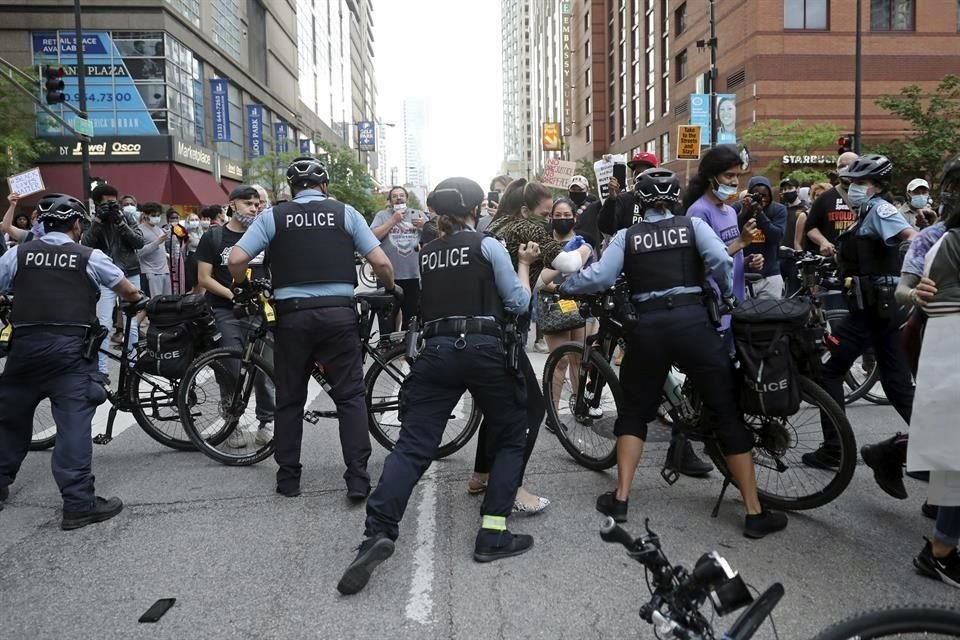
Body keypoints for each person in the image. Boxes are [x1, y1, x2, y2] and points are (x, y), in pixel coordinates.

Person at [336, 178, 541, 596]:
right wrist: (523, 269)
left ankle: (377, 531)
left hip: (436, 353)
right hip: (485, 348)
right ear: (472, 208)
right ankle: (493, 532)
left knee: (413, 444)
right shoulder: (487, 245)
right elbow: (519, 303)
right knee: (510, 433)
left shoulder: (428, 254)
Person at [558, 168, 788, 538]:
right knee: (727, 412)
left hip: (648, 330)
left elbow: (600, 277)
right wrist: (725, 294)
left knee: (633, 414)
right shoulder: (693, 228)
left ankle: (621, 498)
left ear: (642, 201)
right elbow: (722, 262)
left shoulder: (626, 237)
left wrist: (567, 285)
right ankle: (754, 512)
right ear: (674, 199)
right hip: (695, 324)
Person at [228, 156, 396, 499]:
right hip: (338, 316)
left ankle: (288, 479)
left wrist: (241, 286)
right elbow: (380, 261)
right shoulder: (345, 212)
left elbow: (236, 259)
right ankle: (358, 478)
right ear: (325, 186)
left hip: (292, 318)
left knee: (289, 399)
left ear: (291, 188)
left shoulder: (273, 216)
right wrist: (390, 287)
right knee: (350, 396)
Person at [0, 194, 143, 528]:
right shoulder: (89, 256)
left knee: (10, 419)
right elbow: (126, 290)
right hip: (71, 354)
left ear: (41, 223)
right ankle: (78, 503)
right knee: (73, 425)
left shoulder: (17, 253)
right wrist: (138, 299)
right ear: (77, 225)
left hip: (25, 348)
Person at [469, 179, 591, 511]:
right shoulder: (528, 229)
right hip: (506, 332)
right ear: (526, 210)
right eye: (546, 212)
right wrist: (587, 249)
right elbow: (568, 264)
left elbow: (532, 281)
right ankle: (512, 488)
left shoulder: (494, 227)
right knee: (532, 409)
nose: (550, 220)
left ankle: (481, 474)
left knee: (497, 409)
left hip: (485, 326)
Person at [809, 155, 917, 494]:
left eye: (860, 184)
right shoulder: (865, 212)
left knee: (829, 371)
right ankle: (934, 450)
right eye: (850, 183)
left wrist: (911, 275)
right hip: (881, 310)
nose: (853, 189)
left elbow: (911, 237)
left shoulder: (882, 210)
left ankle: (833, 448)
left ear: (878, 186)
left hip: (872, 311)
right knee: (897, 382)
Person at [903, 156, 960, 589]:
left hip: (943, 348)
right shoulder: (937, 240)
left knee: (952, 455)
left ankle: (941, 539)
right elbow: (906, 288)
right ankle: (941, 547)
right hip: (939, 346)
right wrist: (915, 293)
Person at [197, 185, 275, 448]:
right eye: (247, 204)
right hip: (225, 311)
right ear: (232, 205)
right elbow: (204, 278)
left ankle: (267, 422)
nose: (253, 209)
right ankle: (233, 423)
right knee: (230, 367)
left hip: (259, 312)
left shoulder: (263, 236)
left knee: (264, 370)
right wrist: (234, 295)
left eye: (256, 204)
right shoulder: (214, 238)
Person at [683, 145, 762, 348]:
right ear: (711, 177)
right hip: (713, 312)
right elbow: (698, 268)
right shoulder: (698, 212)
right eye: (729, 176)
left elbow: (730, 259)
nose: (735, 182)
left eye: (737, 175)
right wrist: (740, 242)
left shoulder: (730, 212)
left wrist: (747, 262)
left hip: (735, 308)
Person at [82, 183, 145, 377]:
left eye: (113, 202)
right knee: (103, 323)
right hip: (104, 273)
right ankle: (101, 370)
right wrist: (98, 221)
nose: (111, 206)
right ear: (97, 204)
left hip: (130, 270)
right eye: (106, 203)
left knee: (132, 322)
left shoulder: (126, 217)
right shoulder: (92, 221)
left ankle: (134, 365)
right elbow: (85, 244)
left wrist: (121, 223)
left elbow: (138, 242)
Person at [369, 186, 427, 334]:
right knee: (386, 317)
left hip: (413, 275)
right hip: (388, 276)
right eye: (395, 196)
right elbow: (372, 237)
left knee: (411, 317)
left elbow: (435, 235)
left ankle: (406, 349)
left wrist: (425, 226)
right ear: (390, 200)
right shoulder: (382, 215)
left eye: (402, 195)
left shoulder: (418, 214)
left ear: (407, 198)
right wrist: (393, 221)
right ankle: (387, 347)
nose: (399, 198)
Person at [734, 176, 787, 299]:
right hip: (743, 274)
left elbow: (777, 236)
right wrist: (743, 213)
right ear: (749, 194)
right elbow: (730, 231)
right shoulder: (738, 207)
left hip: (769, 274)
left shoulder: (778, 210)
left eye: (765, 196)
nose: (761, 199)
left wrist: (761, 215)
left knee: (769, 314)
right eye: (757, 196)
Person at [804, 152, 858, 256]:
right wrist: (823, 242)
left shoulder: (870, 195)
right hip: (835, 257)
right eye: (842, 166)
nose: (846, 168)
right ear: (837, 170)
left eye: (850, 165)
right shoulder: (824, 198)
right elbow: (810, 227)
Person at [598, 151, 659, 237]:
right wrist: (612, 200)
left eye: (645, 172)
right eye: (637, 173)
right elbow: (606, 228)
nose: (641, 176)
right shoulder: (623, 199)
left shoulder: (663, 199)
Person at [136, 202, 172, 299]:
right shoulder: (139, 230)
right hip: (150, 272)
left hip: (164, 270)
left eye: (158, 215)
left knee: (166, 303)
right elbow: (139, 253)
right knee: (154, 303)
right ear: (145, 215)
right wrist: (157, 242)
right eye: (153, 215)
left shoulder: (159, 229)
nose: (156, 217)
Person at [780, 178, 808, 297]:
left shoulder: (805, 210)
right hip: (780, 256)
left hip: (795, 257)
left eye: (790, 188)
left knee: (794, 292)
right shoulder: (781, 210)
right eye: (785, 189)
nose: (787, 191)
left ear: (797, 189)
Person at [184, 212, 203, 292]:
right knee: (194, 282)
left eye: (196, 219)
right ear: (188, 222)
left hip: (202, 257)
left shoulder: (202, 232)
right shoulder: (186, 234)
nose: (194, 221)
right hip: (192, 257)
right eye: (192, 220)